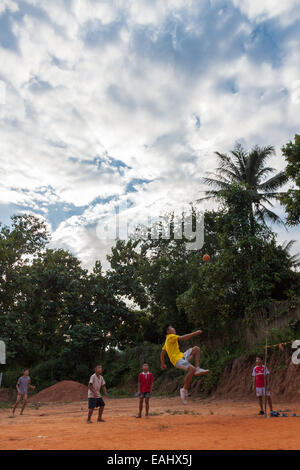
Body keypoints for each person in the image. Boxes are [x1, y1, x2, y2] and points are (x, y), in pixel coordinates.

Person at [160, 324, 209, 404]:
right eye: (171, 328)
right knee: (191, 369)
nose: (174, 328)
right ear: (168, 331)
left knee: (196, 349)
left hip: (182, 355)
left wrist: (162, 363)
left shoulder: (167, 340)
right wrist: (195, 333)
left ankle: (198, 368)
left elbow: (162, 353)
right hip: (177, 360)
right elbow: (183, 338)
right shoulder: (171, 336)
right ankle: (184, 389)